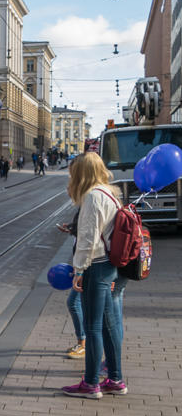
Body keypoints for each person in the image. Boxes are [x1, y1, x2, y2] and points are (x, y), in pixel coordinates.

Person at [60, 152, 126, 399]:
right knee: (108, 326)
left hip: (96, 266)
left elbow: (88, 240)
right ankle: (116, 379)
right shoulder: (110, 193)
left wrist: (79, 270)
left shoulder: (92, 197)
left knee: (93, 327)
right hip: (109, 265)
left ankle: (90, 384)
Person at [56, 210, 86, 359]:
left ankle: (84, 344)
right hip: (88, 264)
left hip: (89, 265)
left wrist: (80, 269)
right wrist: (72, 228)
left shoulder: (91, 199)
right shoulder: (87, 201)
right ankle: (84, 343)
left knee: (74, 303)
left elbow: (90, 237)